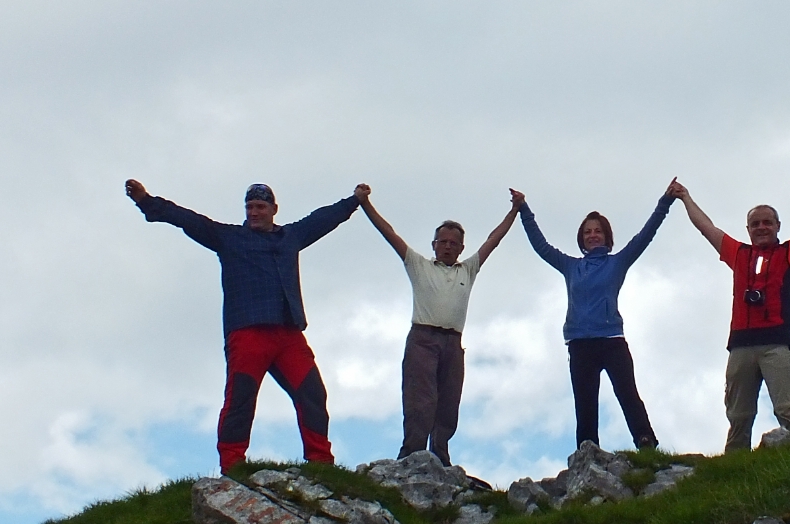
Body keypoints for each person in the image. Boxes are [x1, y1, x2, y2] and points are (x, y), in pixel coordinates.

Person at [125, 179, 365, 473]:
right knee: (241, 399)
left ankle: (321, 461)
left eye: (260, 207)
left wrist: (354, 201)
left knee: (313, 393)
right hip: (247, 332)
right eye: (249, 207)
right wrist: (146, 201)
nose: (254, 212)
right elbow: (188, 219)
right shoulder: (229, 237)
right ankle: (232, 463)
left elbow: (322, 219)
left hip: (288, 333)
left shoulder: (291, 236)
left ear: (273, 209)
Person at [671, 176, 790, 452]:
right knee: (738, 415)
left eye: (767, 222)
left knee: (789, 410)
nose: (761, 228)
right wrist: (685, 197)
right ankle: (734, 469)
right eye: (755, 224)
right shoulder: (738, 254)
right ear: (748, 229)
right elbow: (706, 227)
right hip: (741, 346)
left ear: (777, 227)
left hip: (777, 344)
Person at [358, 187, 522, 465]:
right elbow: (390, 234)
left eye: (453, 243)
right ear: (433, 244)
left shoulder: (467, 270)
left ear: (461, 248)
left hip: (453, 344)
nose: (447, 246)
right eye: (442, 241)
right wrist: (365, 204)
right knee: (419, 402)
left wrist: (515, 211)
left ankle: (440, 455)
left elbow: (493, 240)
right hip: (423, 339)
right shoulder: (419, 265)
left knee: (448, 404)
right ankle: (411, 455)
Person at [514, 181, 677, 451]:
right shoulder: (570, 266)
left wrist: (665, 202)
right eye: (588, 232)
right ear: (582, 237)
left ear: (606, 236)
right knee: (585, 399)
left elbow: (646, 235)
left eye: (597, 231)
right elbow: (541, 246)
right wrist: (524, 210)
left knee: (627, 394)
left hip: (612, 340)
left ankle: (645, 440)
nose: (592, 235)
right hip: (580, 343)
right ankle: (587, 449)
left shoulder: (618, 262)